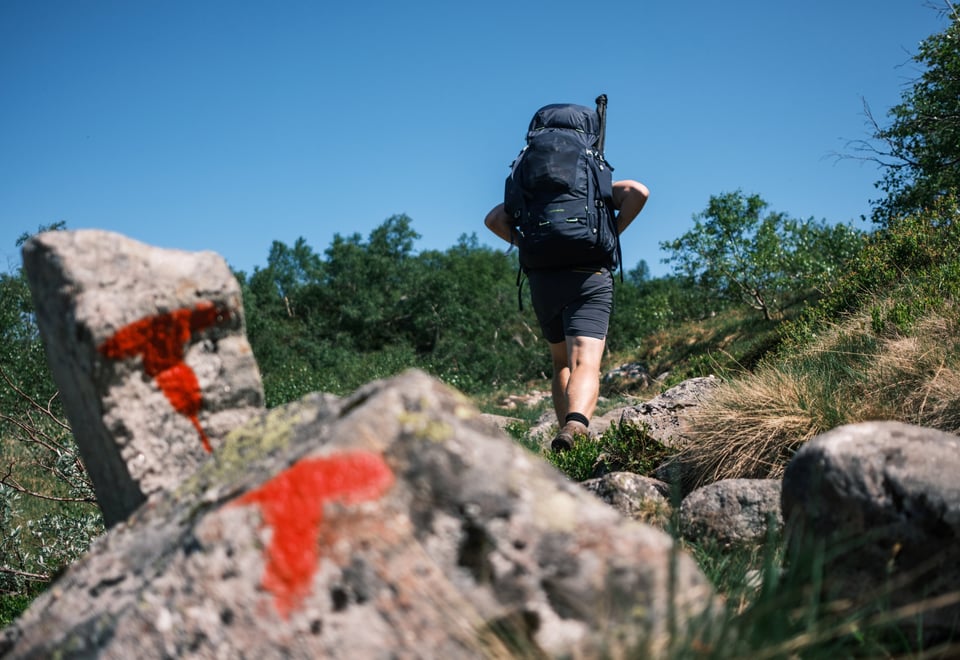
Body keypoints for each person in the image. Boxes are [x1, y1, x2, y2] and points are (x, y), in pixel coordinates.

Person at [484, 179, 649, 451]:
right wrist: (611, 233)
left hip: (544, 279)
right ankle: (575, 423)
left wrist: (525, 243)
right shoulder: (593, 179)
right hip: (589, 273)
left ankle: (566, 443)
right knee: (585, 361)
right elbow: (639, 192)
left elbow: (493, 220)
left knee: (561, 361)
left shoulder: (532, 188)